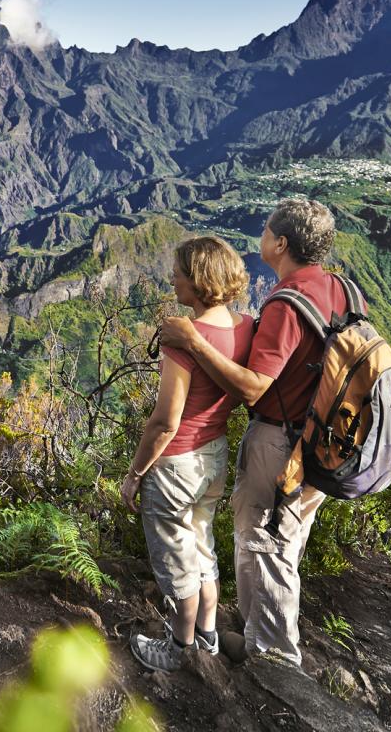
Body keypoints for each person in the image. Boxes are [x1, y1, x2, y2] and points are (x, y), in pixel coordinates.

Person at [157, 197, 356, 666]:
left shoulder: (288, 303)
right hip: (326, 438)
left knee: (265, 543)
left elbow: (252, 387)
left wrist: (193, 341)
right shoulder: (340, 288)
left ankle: (273, 658)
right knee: (286, 540)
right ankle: (257, 638)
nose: (260, 236)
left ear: (280, 243)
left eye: (266, 230)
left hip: (282, 440)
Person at [122, 236, 255, 673]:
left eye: (179, 271)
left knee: (177, 561)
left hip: (176, 463)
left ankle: (178, 649)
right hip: (214, 455)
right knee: (202, 547)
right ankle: (209, 635)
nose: (172, 277)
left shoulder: (184, 338)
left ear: (198, 281)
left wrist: (136, 472)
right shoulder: (244, 327)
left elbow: (165, 421)